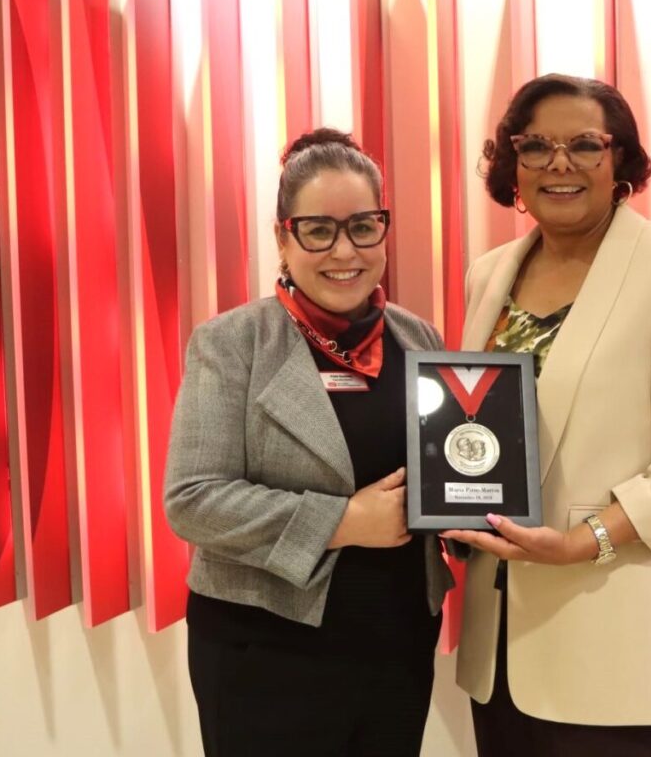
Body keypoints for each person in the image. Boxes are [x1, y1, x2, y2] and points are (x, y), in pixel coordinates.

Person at [440, 74, 651, 756]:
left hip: (613, 643)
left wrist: (584, 539)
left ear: (621, 163)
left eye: (584, 145)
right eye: (536, 146)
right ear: (511, 164)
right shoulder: (490, 273)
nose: (559, 163)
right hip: (498, 655)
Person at [164, 128, 453, 757]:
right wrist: (343, 521)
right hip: (264, 648)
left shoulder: (420, 340)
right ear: (282, 237)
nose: (343, 250)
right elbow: (192, 499)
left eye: (362, 226)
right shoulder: (232, 343)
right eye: (318, 229)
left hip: (398, 642)